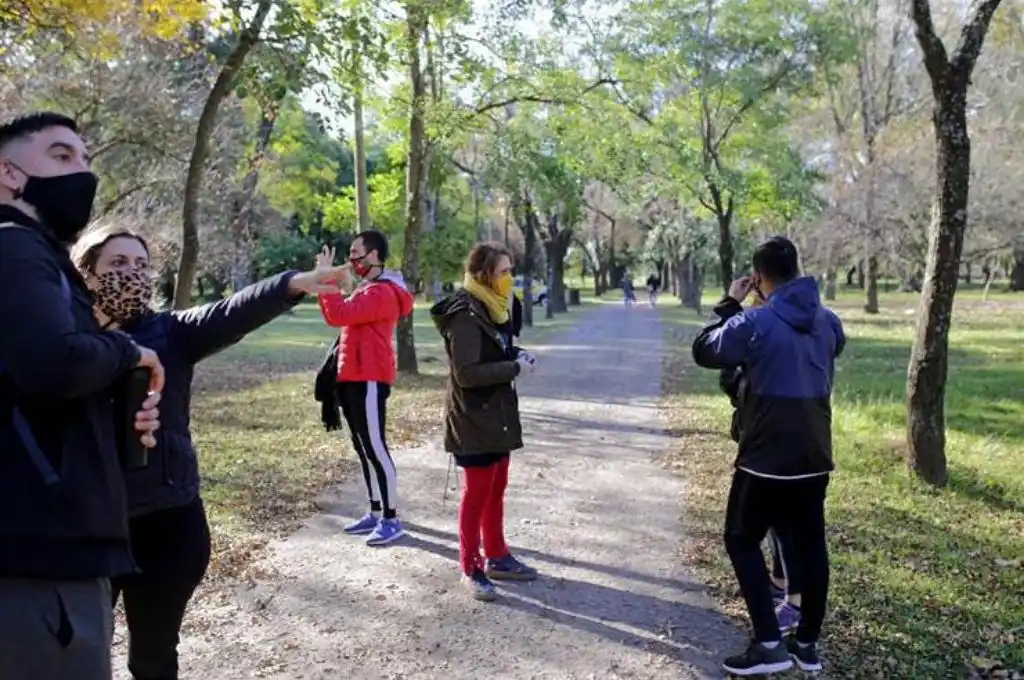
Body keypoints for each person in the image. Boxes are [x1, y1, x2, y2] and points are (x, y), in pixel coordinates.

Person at [69, 223, 335, 680]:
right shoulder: (60, 342)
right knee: (78, 655)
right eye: (117, 264)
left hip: (167, 524)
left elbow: (233, 310)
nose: (131, 274)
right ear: (85, 273)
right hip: (87, 526)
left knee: (151, 657)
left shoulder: (171, 333)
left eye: (140, 264)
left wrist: (293, 283)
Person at [0, 112, 163, 680]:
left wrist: (121, 412)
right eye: (63, 156)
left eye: (87, 159)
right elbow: (54, 364)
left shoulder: (38, 260)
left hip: (54, 547)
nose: (83, 173)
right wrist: (130, 355)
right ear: (9, 173)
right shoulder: (16, 249)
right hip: (39, 558)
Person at [692, 236, 845, 676]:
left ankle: (769, 643)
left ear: (757, 278)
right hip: (814, 452)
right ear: (798, 269)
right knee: (811, 543)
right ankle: (807, 645)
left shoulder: (753, 323)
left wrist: (729, 303)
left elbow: (705, 349)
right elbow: (834, 347)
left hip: (764, 454)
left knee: (741, 538)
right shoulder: (829, 321)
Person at [430, 242, 539, 601]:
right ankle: (470, 566)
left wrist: (515, 354)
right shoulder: (465, 312)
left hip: (498, 415)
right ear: (484, 275)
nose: (510, 279)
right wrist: (513, 369)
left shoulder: (494, 307)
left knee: (497, 488)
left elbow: (495, 347)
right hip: (473, 419)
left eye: (511, 271)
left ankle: (497, 555)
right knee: (476, 494)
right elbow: (466, 373)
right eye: (504, 272)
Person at [316, 230, 414, 546]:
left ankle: (391, 518)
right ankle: (375, 510)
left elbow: (338, 314)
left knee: (375, 446)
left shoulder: (383, 293)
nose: (352, 258)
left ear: (373, 255)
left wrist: (327, 279)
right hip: (352, 378)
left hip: (370, 379)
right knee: (362, 447)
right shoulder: (367, 288)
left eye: (356, 252)